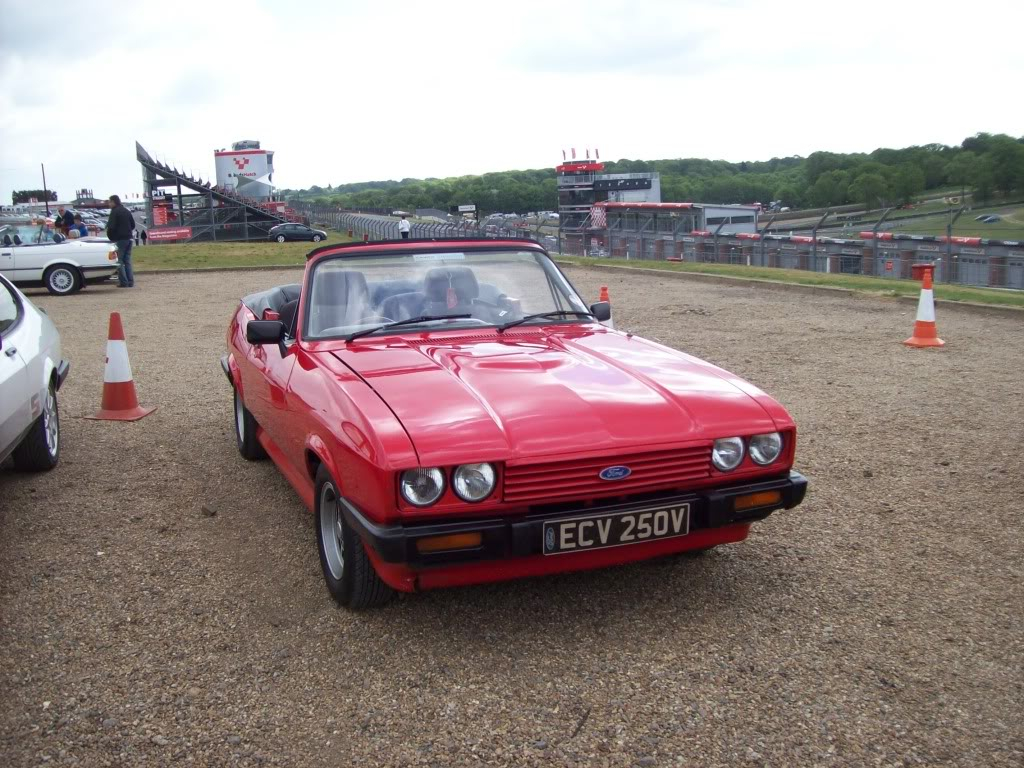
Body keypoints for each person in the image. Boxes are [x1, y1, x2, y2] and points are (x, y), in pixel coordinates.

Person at [106, 194, 136, 288]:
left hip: (120, 240)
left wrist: (111, 238)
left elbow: (111, 227)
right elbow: (133, 225)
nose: (109, 204)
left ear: (113, 202)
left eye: (109, 202)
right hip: (129, 238)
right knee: (127, 261)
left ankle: (124, 282)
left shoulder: (114, 212)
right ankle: (130, 281)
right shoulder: (126, 211)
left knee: (119, 261)